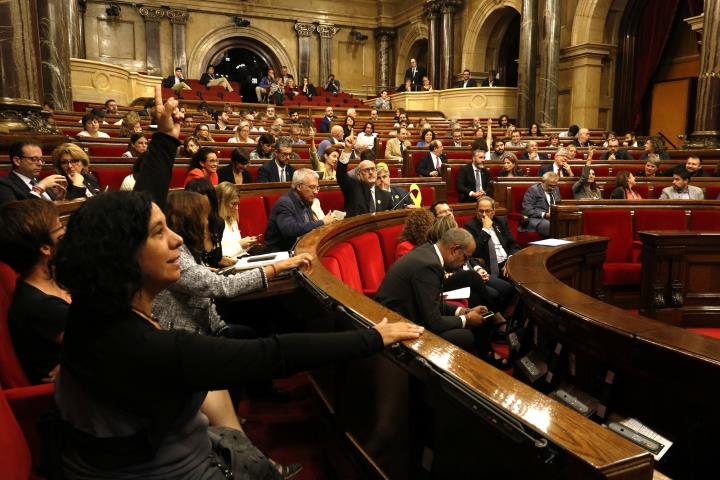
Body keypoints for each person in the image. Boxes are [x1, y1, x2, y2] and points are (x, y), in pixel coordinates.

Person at [52, 190, 423, 479]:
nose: (177, 241)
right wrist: (372, 338)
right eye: (158, 232)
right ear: (122, 256)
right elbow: (273, 354)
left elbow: (115, 220)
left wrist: (166, 140)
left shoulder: (91, 310)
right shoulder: (151, 348)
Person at [375, 228, 498, 356]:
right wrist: (466, 320)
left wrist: (463, 311)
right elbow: (434, 323)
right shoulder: (429, 266)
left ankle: (486, 357)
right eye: (465, 257)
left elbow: (431, 302)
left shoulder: (428, 251)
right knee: (464, 336)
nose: (464, 264)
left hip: (405, 315)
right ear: (454, 250)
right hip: (395, 325)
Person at [0, 200, 68, 385]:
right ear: (45, 248)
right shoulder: (39, 305)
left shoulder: (57, 276)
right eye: (60, 229)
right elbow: (111, 342)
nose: (66, 233)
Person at [264, 169, 337, 251]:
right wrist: (322, 222)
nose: (316, 192)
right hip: (280, 253)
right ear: (299, 187)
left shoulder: (306, 200)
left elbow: (309, 228)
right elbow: (290, 230)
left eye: (317, 188)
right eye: (312, 187)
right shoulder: (284, 203)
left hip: (300, 249)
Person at [464, 196, 521, 279]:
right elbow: (473, 252)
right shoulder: (470, 226)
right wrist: (485, 230)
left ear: (493, 212)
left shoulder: (500, 221)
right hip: (491, 266)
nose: (484, 214)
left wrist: (510, 260)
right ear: (476, 211)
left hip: (507, 261)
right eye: (481, 211)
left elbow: (513, 244)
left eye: (487, 211)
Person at [337, 135, 392, 216]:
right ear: (359, 174)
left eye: (373, 169)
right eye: (366, 170)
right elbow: (340, 174)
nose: (370, 172)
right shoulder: (352, 188)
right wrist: (347, 150)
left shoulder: (386, 195)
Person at [0, 141, 67, 205]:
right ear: (17, 161)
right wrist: (39, 188)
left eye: (41, 159)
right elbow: (15, 214)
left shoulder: (39, 182)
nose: (40, 164)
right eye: (34, 159)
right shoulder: (3, 184)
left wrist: (58, 200)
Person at [215, 182, 258, 257]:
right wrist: (240, 245)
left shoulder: (232, 219)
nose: (237, 208)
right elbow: (217, 256)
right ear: (221, 202)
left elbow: (237, 250)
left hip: (241, 259)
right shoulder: (213, 223)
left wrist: (247, 244)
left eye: (237, 204)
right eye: (233, 204)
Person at [519, 172, 560, 237]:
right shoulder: (533, 190)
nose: (552, 188)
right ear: (542, 181)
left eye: (554, 186)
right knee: (549, 225)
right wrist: (545, 214)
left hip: (554, 218)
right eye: (550, 185)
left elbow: (559, 204)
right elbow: (527, 210)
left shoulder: (556, 189)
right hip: (537, 219)